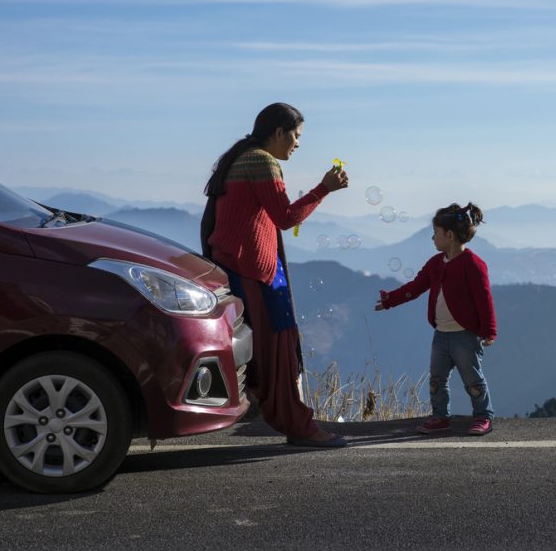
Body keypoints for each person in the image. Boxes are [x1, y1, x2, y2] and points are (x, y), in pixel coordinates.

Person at [201, 102, 348, 448]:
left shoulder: (241, 157)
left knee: (271, 348)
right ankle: (297, 425)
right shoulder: (261, 161)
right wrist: (323, 188)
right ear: (279, 132)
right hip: (256, 271)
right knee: (277, 350)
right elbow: (284, 217)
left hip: (243, 266)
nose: (297, 144)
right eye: (296, 137)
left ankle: (284, 415)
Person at [374, 203, 497, 436]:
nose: (433, 238)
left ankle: (483, 416)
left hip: (465, 336)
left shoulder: (473, 264)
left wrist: (489, 331)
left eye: (436, 233)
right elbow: (416, 286)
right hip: (441, 334)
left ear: (449, 235)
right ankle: (440, 417)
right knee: (437, 380)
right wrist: (390, 300)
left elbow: (485, 299)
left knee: (473, 379)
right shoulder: (435, 264)